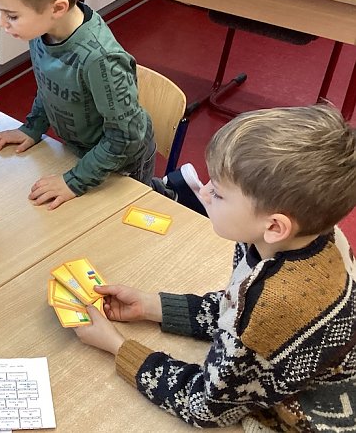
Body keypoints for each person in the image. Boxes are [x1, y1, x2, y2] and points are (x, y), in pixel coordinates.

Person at [74, 105, 356, 430]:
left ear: (275, 226)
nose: (204, 192)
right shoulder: (309, 237)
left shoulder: (274, 306)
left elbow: (207, 408)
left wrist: (117, 346)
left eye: (218, 193)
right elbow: (234, 309)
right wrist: (155, 307)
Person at [0, 0, 155, 210]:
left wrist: (75, 181)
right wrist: (33, 128)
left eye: (11, 15)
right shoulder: (42, 31)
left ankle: (170, 192)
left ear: (57, 8)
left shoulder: (101, 60)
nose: (1, 23)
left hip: (122, 166)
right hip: (78, 153)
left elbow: (126, 139)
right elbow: (49, 85)